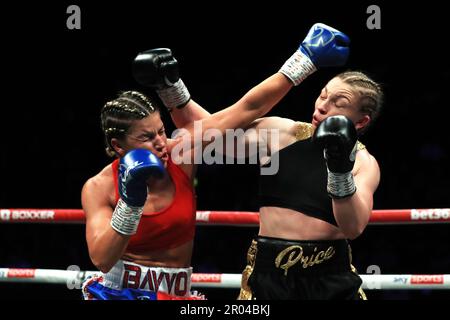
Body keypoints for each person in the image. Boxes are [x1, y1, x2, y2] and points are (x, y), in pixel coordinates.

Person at [81, 23, 349, 300]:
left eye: (161, 130)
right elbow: (101, 259)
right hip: (118, 293)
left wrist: (304, 60)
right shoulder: (99, 187)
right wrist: (130, 203)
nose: (161, 142)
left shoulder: (180, 154)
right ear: (117, 146)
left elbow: (246, 109)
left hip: (177, 294)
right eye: (147, 138)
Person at [235, 72, 383, 300]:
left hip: (331, 280)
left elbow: (353, 228)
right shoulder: (282, 134)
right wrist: (173, 89)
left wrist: (339, 171)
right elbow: (209, 137)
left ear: (361, 121)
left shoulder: (365, 163)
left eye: (338, 103)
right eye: (322, 95)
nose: (323, 106)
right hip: (268, 278)